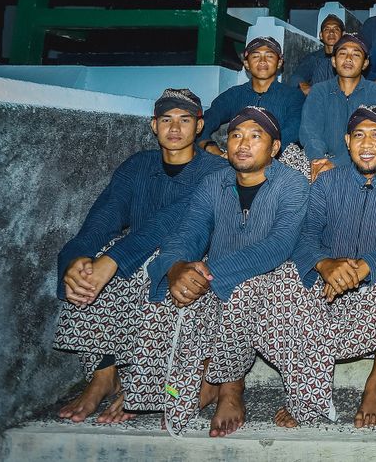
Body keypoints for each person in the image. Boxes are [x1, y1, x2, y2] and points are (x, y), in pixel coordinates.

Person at [122, 107, 308, 437]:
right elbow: (190, 231)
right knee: (168, 284)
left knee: (240, 292)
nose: (243, 144)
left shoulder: (291, 183)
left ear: (274, 148)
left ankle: (230, 387)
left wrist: (208, 272)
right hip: (215, 273)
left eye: (255, 136)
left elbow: (279, 245)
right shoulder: (215, 182)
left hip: (271, 279)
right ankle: (155, 389)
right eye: (236, 135)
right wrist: (177, 267)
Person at [54, 88, 227, 424]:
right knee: (88, 269)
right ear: (153, 125)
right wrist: (76, 258)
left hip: (186, 260)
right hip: (133, 257)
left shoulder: (214, 171)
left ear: (199, 125)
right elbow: (102, 219)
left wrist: (114, 260)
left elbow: (173, 222)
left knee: (154, 271)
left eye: (185, 119)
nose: (175, 128)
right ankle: (103, 375)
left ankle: (142, 389)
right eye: (166, 119)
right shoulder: (137, 166)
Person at [256, 106, 376, 428]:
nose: (367, 144)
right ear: (347, 141)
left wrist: (366, 267)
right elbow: (305, 236)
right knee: (280, 278)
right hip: (327, 290)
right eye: (359, 135)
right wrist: (325, 263)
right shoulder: (325, 183)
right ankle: (308, 389)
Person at [299, 33, 376, 180]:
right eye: (343, 53)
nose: (348, 59)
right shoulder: (319, 90)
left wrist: (336, 163)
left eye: (356, 55)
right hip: (321, 158)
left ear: (365, 63)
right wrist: (318, 160)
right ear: (334, 61)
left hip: (365, 157)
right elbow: (310, 131)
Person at [199, 36, 306, 154]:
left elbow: (293, 131)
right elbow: (205, 122)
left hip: (277, 157)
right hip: (239, 154)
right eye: (255, 56)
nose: (262, 61)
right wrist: (209, 145)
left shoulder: (294, 96)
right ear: (246, 63)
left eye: (269, 56)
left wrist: (260, 152)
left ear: (279, 62)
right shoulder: (234, 95)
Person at [289, 14, 344, 95]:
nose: (331, 32)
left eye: (336, 29)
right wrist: (315, 92)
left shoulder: (349, 58)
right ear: (321, 35)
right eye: (327, 29)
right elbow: (296, 79)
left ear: (343, 34)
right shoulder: (313, 58)